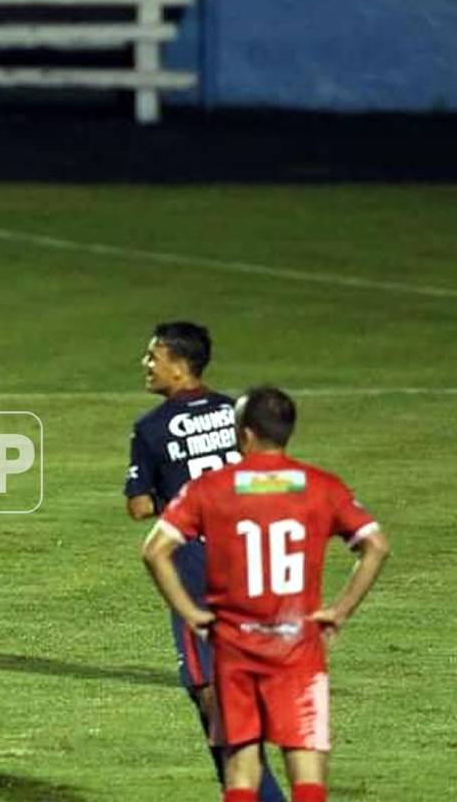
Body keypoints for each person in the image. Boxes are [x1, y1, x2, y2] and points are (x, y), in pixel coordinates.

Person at [142, 386, 390, 802]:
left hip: (235, 650)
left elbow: (154, 551)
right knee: (307, 769)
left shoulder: (209, 489)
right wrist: (340, 610)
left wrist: (191, 612)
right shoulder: (320, 486)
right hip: (298, 647)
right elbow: (376, 546)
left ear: (245, 433)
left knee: (241, 771)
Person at [124, 322, 285, 801]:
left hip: (198, 576)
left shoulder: (151, 429)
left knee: (213, 695)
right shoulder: (237, 414)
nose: (147, 365)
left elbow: (139, 507)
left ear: (179, 364)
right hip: (255, 566)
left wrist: (172, 494)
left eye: (153, 356)